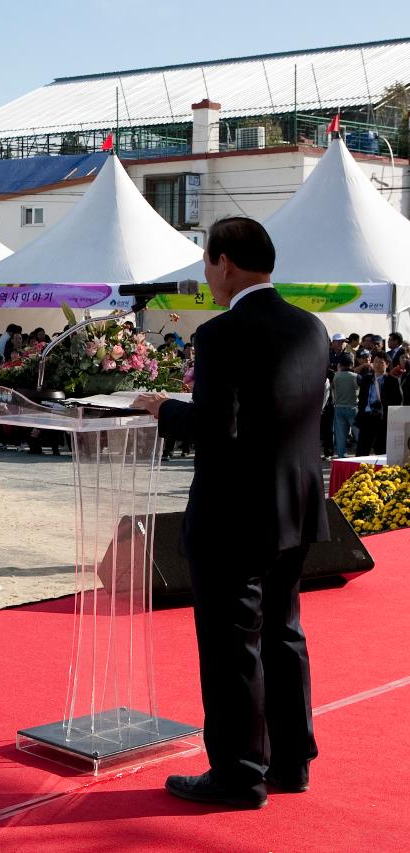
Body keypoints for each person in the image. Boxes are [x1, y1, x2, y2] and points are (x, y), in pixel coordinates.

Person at [133, 217, 329, 809]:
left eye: (206, 263)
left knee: (230, 646)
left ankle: (239, 774)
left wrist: (162, 408)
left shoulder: (221, 333)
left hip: (234, 511)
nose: (206, 275)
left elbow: (217, 428)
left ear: (225, 263)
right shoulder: (312, 327)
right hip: (295, 502)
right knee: (284, 634)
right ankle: (291, 761)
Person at [355, 351, 401, 456]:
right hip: (367, 417)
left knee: (382, 450)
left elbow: (398, 401)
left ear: (387, 364)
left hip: (382, 419)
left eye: (381, 362)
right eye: (375, 362)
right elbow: (362, 398)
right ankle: (360, 471)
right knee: (362, 450)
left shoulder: (392, 381)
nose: (377, 365)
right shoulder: (366, 379)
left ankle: (383, 472)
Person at [330, 353, 359, 458]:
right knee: (358, 434)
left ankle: (342, 457)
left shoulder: (335, 377)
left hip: (339, 408)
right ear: (351, 364)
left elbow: (332, 388)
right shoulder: (356, 377)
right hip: (353, 407)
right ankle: (360, 455)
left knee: (340, 436)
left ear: (340, 365)